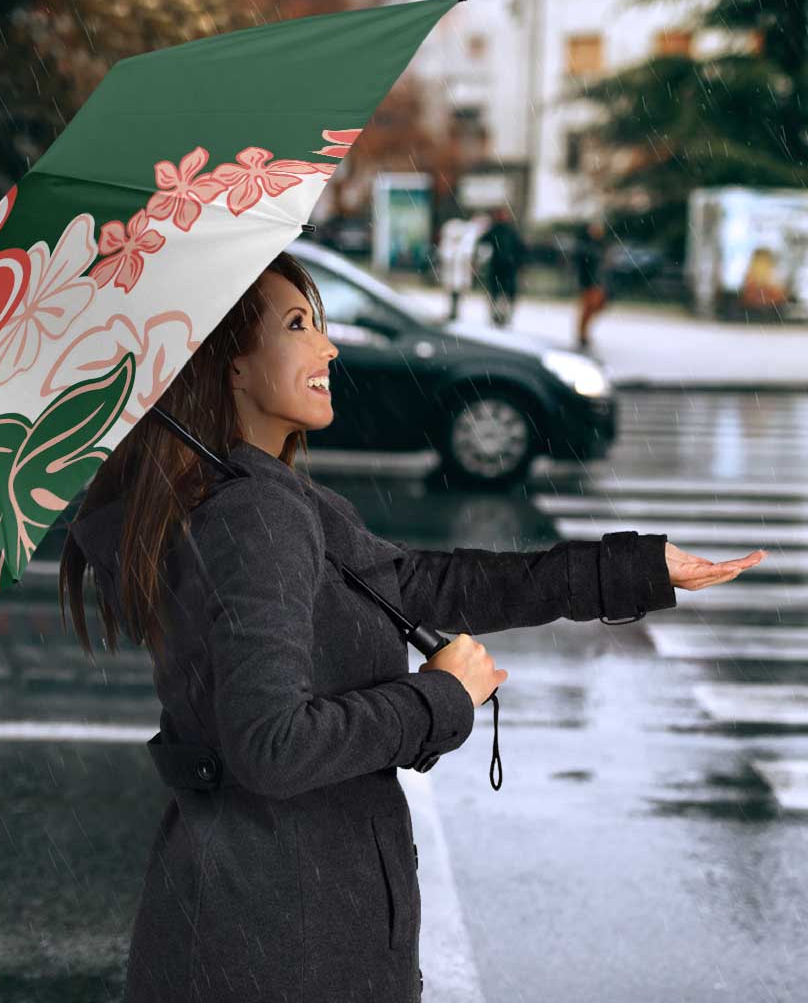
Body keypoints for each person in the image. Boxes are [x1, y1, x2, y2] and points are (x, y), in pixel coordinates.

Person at [60, 250, 765, 1003]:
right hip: (280, 941)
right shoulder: (253, 515)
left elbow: (427, 584)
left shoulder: (264, 498)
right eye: (298, 325)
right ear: (229, 365)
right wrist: (439, 698)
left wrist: (634, 569)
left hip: (264, 922)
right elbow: (271, 747)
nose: (328, 346)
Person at [476, 205, 526, 328]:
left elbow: (520, 249)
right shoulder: (496, 230)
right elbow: (482, 243)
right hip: (499, 267)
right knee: (497, 293)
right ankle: (497, 316)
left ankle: (503, 316)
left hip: (507, 267)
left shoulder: (509, 231)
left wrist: (519, 263)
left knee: (504, 294)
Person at [574, 218, 610, 349]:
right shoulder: (586, 246)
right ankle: (582, 334)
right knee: (588, 308)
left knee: (596, 307)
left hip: (598, 282)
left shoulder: (601, 245)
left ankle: (583, 333)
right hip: (589, 282)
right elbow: (583, 265)